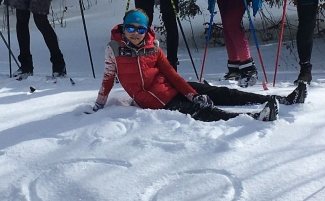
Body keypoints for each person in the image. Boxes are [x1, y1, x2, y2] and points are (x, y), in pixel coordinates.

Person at [92, 9, 305, 121]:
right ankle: (253, 118)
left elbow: (172, 74)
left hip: (172, 88)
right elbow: (108, 78)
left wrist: (192, 92)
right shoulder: (114, 48)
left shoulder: (153, 47)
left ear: (146, 30)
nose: (135, 34)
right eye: (131, 28)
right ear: (124, 27)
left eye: (140, 29)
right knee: (200, 110)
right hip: (155, 100)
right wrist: (99, 104)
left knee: (217, 92)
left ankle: (280, 99)